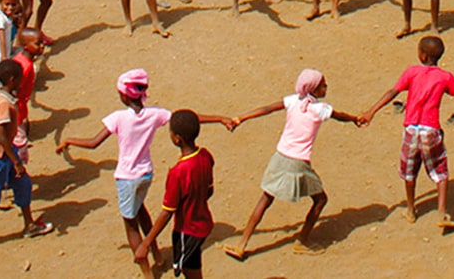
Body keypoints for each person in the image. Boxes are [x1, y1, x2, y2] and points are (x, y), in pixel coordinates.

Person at [56, 69, 233, 278]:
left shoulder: (118, 118)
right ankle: (157, 254)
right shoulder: (155, 114)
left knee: (131, 224)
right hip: (146, 174)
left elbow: (94, 143)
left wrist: (69, 140)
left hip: (126, 178)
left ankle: (146, 270)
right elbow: (185, 119)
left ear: (123, 95)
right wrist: (219, 118)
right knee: (140, 210)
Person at [223, 68, 361, 261]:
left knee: (265, 199)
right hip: (298, 164)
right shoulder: (320, 109)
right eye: (323, 85)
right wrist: (356, 119)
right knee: (321, 200)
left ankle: (241, 245)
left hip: (279, 157)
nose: (326, 87)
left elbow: (267, 109)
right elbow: (341, 116)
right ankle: (302, 241)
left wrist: (241, 118)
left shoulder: (293, 100)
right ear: (314, 89)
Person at [360, 36, 454, 229]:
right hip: (431, 130)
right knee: (440, 171)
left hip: (411, 129)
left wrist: (371, 111)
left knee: (409, 171)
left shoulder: (411, 72)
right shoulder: (445, 77)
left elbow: (392, 93)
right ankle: (441, 213)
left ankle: (411, 210)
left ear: (421, 55)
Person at [0, 60, 53, 256]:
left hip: (7, 152)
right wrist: (15, 162)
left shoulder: (1, 95)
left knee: (23, 184)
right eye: (20, 78)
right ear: (13, 80)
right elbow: (3, 137)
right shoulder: (4, 104)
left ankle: (29, 224)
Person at [134, 110, 215, 278]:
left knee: (191, 271)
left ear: (177, 139)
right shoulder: (206, 155)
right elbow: (209, 190)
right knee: (192, 264)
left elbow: (167, 212)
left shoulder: (178, 173)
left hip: (187, 230)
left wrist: (146, 243)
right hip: (204, 222)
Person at [12, 28, 44, 163]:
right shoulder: (26, 66)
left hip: (20, 109)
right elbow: (15, 90)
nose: (42, 46)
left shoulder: (20, 60)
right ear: (26, 46)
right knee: (18, 141)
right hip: (17, 110)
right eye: (38, 44)